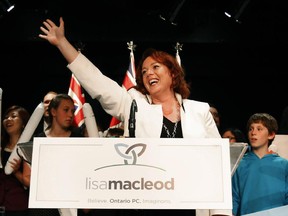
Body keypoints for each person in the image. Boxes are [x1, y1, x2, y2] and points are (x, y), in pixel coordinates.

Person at [38, 17, 231, 216]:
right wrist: (63, 43)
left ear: (173, 74)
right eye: (144, 71)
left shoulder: (199, 111)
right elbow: (97, 82)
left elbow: (217, 166)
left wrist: (220, 212)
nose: (148, 73)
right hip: (148, 205)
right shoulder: (134, 106)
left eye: (156, 67)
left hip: (191, 205)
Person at [23, 93, 85, 216]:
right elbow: (27, 177)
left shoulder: (79, 139)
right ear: (53, 112)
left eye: (72, 111)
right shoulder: (38, 140)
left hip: (71, 203)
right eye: (66, 110)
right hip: (44, 206)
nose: (70, 115)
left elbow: (84, 173)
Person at [232, 113, 288, 216]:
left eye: (259, 129)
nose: (253, 133)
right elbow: (234, 197)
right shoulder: (238, 164)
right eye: (251, 129)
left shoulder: (284, 165)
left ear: (271, 135)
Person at [0, 105, 30, 216]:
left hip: (19, 205)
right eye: (6, 117)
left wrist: (16, 172)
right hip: (2, 205)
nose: (8, 119)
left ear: (23, 124)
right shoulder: (1, 146)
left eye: (13, 116)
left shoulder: (27, 149)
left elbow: (31, 183)